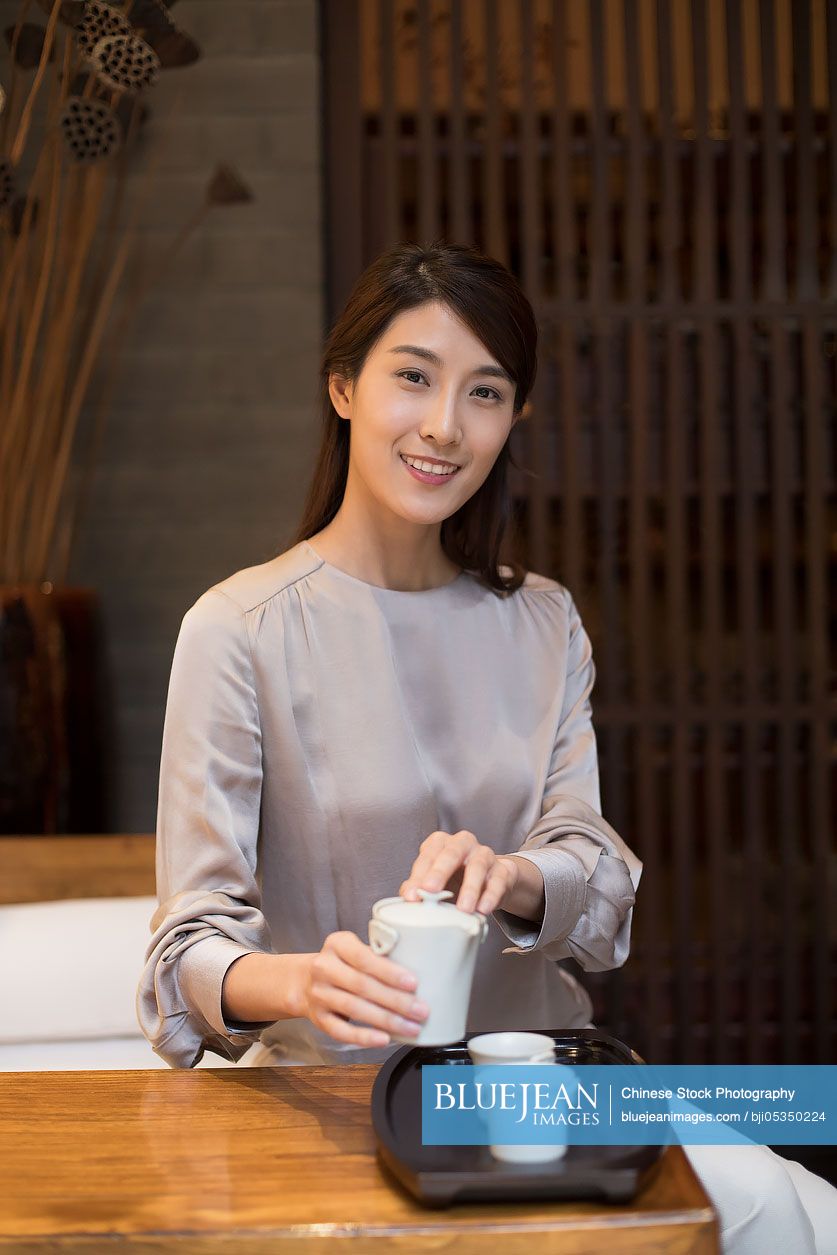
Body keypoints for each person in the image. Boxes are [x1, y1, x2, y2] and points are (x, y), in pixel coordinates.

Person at [137, 241, 837, 1254]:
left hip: (540, 1085)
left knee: (792, 1211)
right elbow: (183, 953)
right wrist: (300, 981)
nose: (443, 426)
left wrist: (514, 875)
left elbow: (599, 897)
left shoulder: (544, 623)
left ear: (514, 418)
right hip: (340, 1097)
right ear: (343, 386)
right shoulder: (238, 628)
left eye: (486, 392)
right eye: (413, 377)